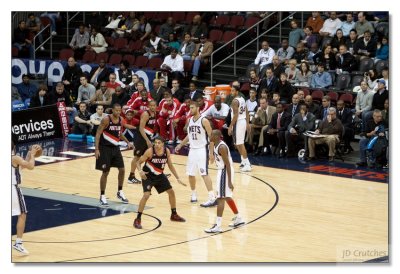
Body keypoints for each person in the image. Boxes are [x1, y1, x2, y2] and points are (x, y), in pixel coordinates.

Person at [133, 137, 186, 229]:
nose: (156, 144)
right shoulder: (149, 151)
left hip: (160, 176)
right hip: (148, 176)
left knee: (171, 192)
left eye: (159, 143)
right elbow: (138, 162)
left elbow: (170, 165)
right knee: (146, 195)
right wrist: (140, 171)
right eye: (155, 143)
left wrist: (178, 178)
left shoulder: (167, 151)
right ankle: (137, 219)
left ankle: (174, 214)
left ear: (163, 144)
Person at [175, 101, 216, 206]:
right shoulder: (190, 120)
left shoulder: (204, 120)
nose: (190, 110)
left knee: (204, 173)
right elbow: (189, 136)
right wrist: (180, 145)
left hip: (202, 149)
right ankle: (193, 194)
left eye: (192, 108)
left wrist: (211, 153)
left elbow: (212, 137)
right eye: (190, 108)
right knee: (191, 173)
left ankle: (212, 197)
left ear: (198, 108)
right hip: (192, 150)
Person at [204, 130, 245, 233]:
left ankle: (218, 226)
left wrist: (230, 181)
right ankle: (238, 218)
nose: (210, 135)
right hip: (222, 171)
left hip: (224, 172)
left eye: (212, 134)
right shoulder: (215, 144)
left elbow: (227, 165)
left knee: (220, 199)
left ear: (217, 136)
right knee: (227, 197)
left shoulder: (222, 147)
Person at [95, 103, 133, 207]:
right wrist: (97, 149)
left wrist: (128, 142)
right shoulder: (106, 119)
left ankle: (120, 191)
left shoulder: (121, 119)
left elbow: (119, 133)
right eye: (116, 110)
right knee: (105, 172)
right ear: (112, 110)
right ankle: (102, 195)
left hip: (115, 148)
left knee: (122, 169)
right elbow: (98, 133)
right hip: (105, 148)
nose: (118, 112)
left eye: (119, 110)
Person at [12, 138, 40, 255]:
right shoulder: (14, 157)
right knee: (22, 214)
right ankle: (18, 242)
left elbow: (21, 167)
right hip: (13, 188)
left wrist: (29, 153)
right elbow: (30, 166)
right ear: (13, 147)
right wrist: (33, 155)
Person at [127, 100, 158, 184]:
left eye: (154, 105)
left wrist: (151, 137)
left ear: (156, 106)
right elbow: (141, 128)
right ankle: (131, 177)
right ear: (148, 106)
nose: (152, 107)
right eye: (151, 105)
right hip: (140, 137)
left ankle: (152, 173)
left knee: (150, 155)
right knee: (137, 157)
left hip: (147, 137)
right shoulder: (145, 114)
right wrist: (147, 140)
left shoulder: (155, 114)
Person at [228, 86, 251, 172]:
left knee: (240, 144)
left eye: (233, 91)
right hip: (242, 121)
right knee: (238, 144)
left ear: (237, 92)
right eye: (231, 91)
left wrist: (230, 126)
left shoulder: (235, 101)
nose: (231, 92)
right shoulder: (242, 99)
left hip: (238, 123)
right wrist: (247, 123)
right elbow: (247, 112)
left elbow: (236, 115)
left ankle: (247, 164)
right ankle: (244, 161)